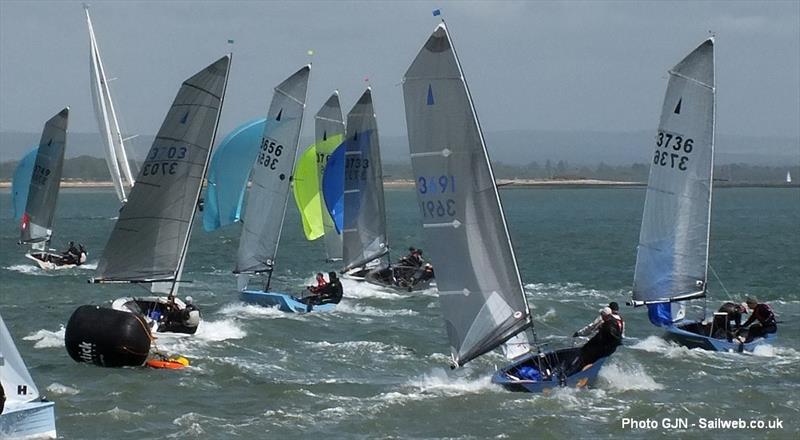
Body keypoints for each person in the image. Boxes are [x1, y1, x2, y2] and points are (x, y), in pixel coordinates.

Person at [568, 307, 623, 375]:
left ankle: (579, 372)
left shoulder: (608, 327)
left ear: (606, 316)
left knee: (587, 356)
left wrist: (580, 334)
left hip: (603, 348)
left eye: (602, 315)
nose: (601, 316)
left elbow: (608, 337)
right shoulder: (616, 320)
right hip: (607, 347)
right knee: (586, 351)